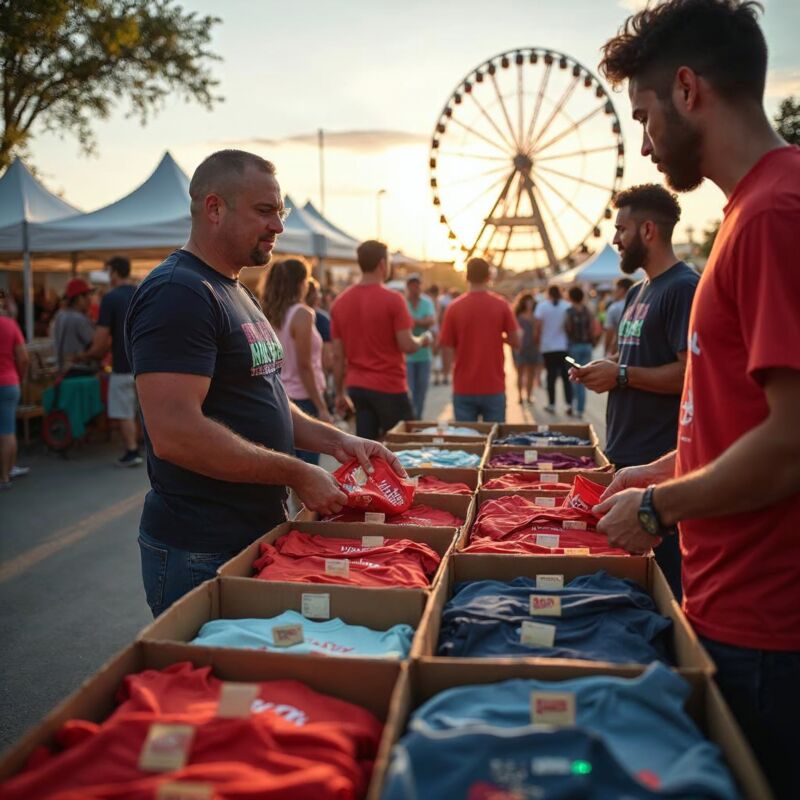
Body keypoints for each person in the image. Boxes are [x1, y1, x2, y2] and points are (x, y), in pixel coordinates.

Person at [594, 3, 800, 795]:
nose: (643, 141)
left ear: (687, 89)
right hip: (734, 610)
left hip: (766, 630)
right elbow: (734, 423)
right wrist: (655, 470)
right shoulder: (752, 211)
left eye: (644, 115)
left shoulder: (776, 215)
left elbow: (791, 441)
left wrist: (659, 510)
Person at [125, 149, 404, 618]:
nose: (278, 225)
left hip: (253, 534)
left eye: (280, 211)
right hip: (202, 548)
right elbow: (175, 434)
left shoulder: (234, 288)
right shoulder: (179, 293)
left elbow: (267, 395)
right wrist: (296, 472)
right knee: (216, 683)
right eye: (264, 211)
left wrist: (337, 439)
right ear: (214, 208)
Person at [570, 185, 698, 598]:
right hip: (625, 450)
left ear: (647, 231)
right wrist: (602, 369)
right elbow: (633, 357)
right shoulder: (636, 293)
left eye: (621, 228)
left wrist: (621, 375)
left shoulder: (682, 288)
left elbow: (689, 374)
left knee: (665, 585)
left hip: (658, 459)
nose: (614, 239)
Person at [330, 241, 432, 439]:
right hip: (389, 385)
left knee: (367, 452)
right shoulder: (394, 300)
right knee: (405, 448)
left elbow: (337, 356)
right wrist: (423, 340)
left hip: (357, 387)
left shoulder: (340, 302)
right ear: (382, 264)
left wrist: (339, 393)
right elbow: (407, 345)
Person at [261, 257, 332, 465]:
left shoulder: (269, 313)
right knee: (309, 469)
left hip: (279, 395)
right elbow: (304, 366)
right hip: (304, 398)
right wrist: (321, 407)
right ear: (300, 282)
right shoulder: (302, 313)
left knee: (290, 468)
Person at [77, 256, 142, 467]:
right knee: (141, 409)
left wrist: (86, 355)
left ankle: (132, 451)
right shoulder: (141, 292)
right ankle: (143, 445)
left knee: (123, 410)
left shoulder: (110, 298)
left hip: (122, 363)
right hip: (146, 362)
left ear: (114, 272)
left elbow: (101, 339)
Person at [438, 258, 519, 423]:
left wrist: (447, 374)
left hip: (463, 385)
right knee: (495, 442)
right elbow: (516, 342)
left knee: (467, 442)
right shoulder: (501, 305)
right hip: (493, 384)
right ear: (489, 276)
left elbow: (446, 346)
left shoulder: (454, 307)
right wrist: (499, 337)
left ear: (466, 277)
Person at [0, 291, 29, 489]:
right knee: (8, 431)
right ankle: (6, 475)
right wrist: (20, 377)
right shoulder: (10, 324)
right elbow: (24, 358)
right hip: (9, 382)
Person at [534, 285, 572, 414]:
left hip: (547, 346)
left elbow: (538, 327)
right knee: (566, 376)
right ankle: (568, 404)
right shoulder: (566, 305)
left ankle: (551, 404)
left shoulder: (542, 306)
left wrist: (538, 342)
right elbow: (569, 326)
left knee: (551, 376)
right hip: (563, 345)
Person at [564, 286, 598, 419]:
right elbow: (592, 328)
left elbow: (567, 328)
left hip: (574, 346)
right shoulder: (587, 310)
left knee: (574, 376)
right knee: (584, 377)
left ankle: (572, 405)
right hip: (587, 345)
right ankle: (580, 409)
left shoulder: (569, 311)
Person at [405, 275, 436, 419]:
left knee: (421, 391)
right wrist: (420, 322)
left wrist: (413, 322)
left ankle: (417, 418)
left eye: (417, 285)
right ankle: (411, 417)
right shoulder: (404, 302)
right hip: (408, 356)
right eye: (412, 285)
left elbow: (430, 321)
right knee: (409, 390)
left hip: (424, 355)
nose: (414, 288)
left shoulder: (426, 302)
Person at [51, 278, 96, 373]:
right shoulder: (78, 319)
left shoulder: (60, 314)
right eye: (88, 295)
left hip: (62, 370)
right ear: (79, 298)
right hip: (79, 371)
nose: (90, 299)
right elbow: (95, 345)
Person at [512, 292, 541, 405]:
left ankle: (529, 396)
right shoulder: (518, 316)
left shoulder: (536, 316)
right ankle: (520, 396)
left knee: (531, 373)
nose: (529, 304)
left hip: (533, 347)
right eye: (527, 301)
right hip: (521, 348)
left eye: (531, 302)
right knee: (520, 373)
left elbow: (538, 332)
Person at [604, 277, 635, 355]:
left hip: (620, 351)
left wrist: (606, 351)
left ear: (622, 290)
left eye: (615, 289)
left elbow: (609, 332)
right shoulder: (640, 304)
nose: (613, 292)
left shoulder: (614, 307)